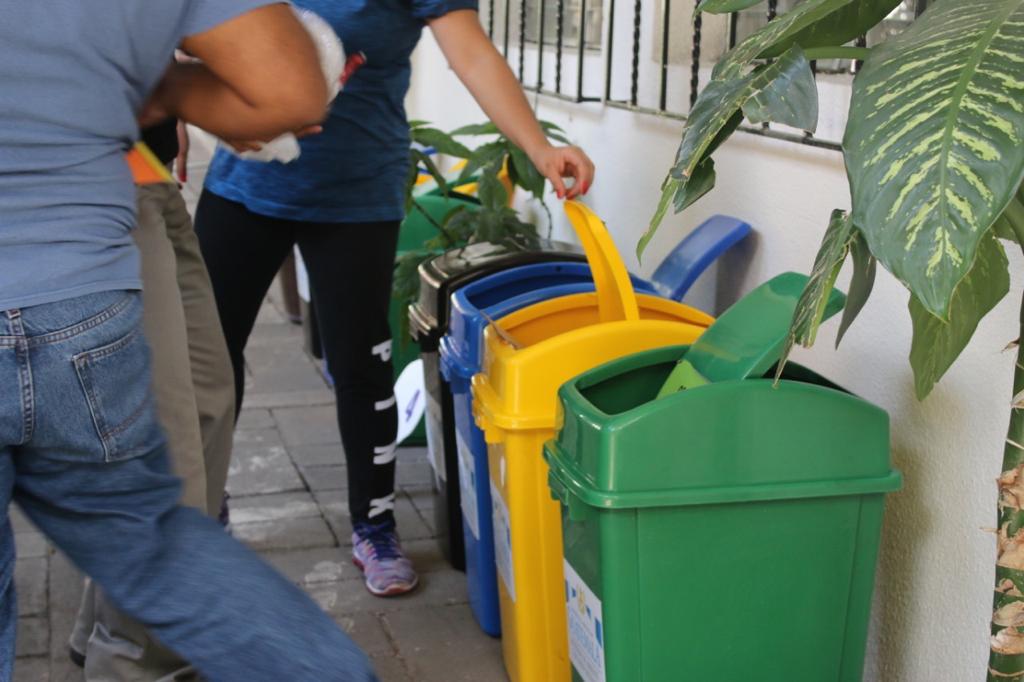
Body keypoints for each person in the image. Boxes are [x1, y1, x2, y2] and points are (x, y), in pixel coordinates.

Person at [0, 2, 377, 680]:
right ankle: (133, 657)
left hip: (126, 197)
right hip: (79, 246)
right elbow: (288, 88)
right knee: (154, 524)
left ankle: (113, 638)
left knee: (195, 423)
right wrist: (170, 84)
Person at [193, 0, 596, 598]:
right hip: (244, 186)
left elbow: (473, 55)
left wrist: (537, 148)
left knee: (361, 365)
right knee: (207, 362)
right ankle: (202, 510)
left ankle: (374, 524)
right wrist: (166, 105)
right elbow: (194, 31)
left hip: (356, 197)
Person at [67, 116, 239, 680]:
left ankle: (105, 625)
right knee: (167, 450)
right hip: (93, 180)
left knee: (211, 401)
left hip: (149, 167)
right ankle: (139, 663)